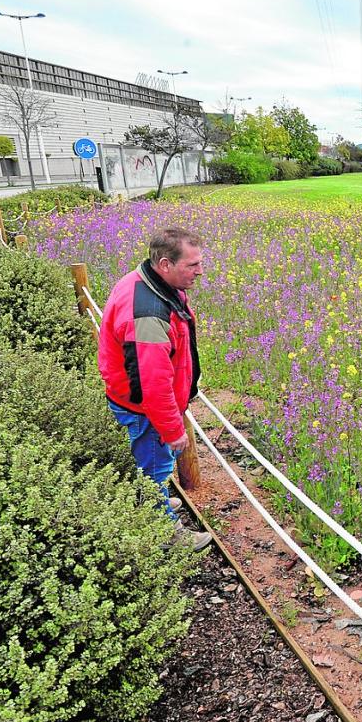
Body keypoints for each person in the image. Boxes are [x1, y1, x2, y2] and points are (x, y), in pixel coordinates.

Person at [98, 227, 211, 551]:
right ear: (165, 264)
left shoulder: (150, 282)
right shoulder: (148, 313)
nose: (199, 271)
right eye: (192, 265)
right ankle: (165, 531)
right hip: (145, 410)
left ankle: (156, 499)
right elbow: (152, 384)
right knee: (155, 467)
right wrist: (173, 429)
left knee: (152, 463)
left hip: (144, 404)